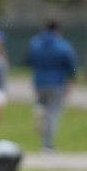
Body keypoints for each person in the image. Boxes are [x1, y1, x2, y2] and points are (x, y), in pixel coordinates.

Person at [27, 21, 77, 152]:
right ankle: (48, 145)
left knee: (43, 106)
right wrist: (72, 79)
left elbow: (30, 60)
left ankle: (39, 109)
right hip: (57, 83)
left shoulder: (36, 44)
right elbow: (71, 64)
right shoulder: (63, 46)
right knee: (53, 114)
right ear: (58, 31)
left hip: (39, 82)